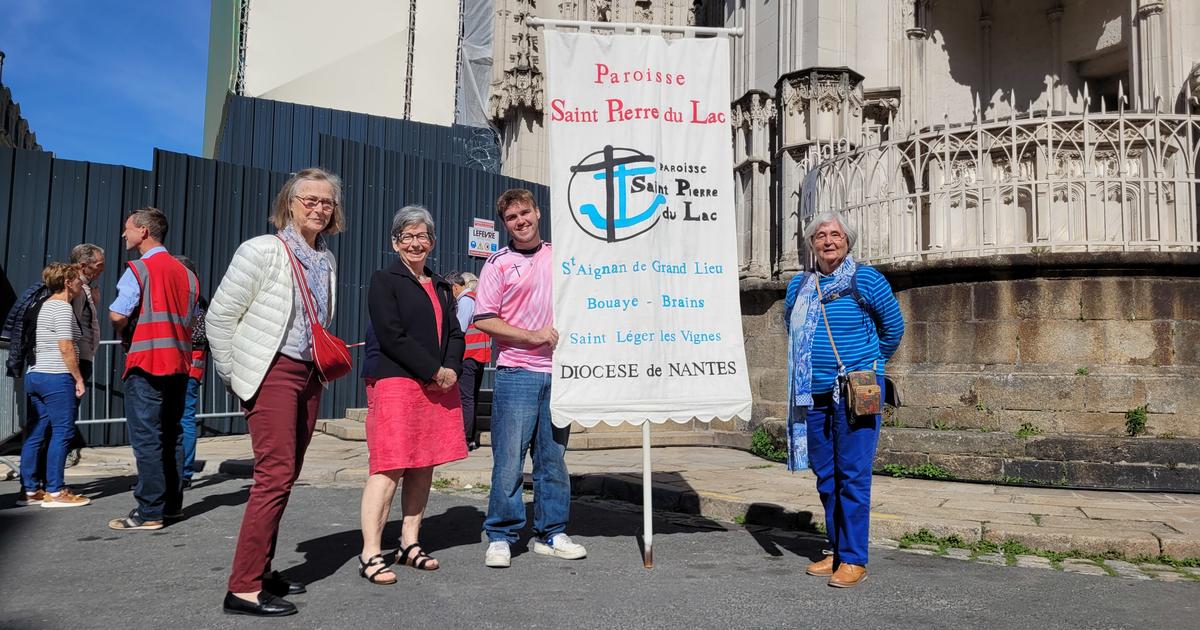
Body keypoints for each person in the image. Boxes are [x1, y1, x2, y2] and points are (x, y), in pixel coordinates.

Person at [207, 167, 345, 617]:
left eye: (327, 202)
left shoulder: (325, 258)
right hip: (273, 372)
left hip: (310, 374)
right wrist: (239, 376)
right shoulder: (262, 250)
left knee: (285, 475)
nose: (320, 209)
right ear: (290, 202)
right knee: (274, 473)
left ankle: (262, 569)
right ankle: (243, 586)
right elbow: (220, 318)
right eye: (311, 200)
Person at [783, 210, 904, 588]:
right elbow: (792, 327)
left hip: (857, 391)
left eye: (836, 234)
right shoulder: (798, 287)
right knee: (826, 476)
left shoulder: (867, 280)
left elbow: (893, 329)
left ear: (847, 241)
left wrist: (870, 365)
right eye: (821, 235)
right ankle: (836, 549)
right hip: (813, 393)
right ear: (811, 244)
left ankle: (854, 558)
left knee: (852, 475)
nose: (828, 241)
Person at [475, 188, 586, 568]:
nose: (520, 221)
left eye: (525, 213)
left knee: (553, 460)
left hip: (560, 374)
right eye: (511, 217)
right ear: (505, 224)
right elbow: (484, 319)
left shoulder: (562, 256)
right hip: (517, 371)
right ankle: (501, 535)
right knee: (508, 460)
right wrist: (533, 336)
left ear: (538, 213)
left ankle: (551, 532)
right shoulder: (497, 263)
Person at [357, 205, 467, 585]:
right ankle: (371, 552)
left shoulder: (439, 285)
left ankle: (409, 543)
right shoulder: (383, 280)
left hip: (437, 384)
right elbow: (391, 334)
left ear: (432, 242)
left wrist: (450, 368)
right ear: (395, 242)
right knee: (389, 466)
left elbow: (455, 332)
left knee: (423, 464)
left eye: (422, 236)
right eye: (408, 236)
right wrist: (433, 370)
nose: (416, 242)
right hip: (396, 382)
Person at [107, 207, 199, 532]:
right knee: (173, 434)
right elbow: (188, 319)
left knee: (147, 438)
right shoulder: (187, 274)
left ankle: (149, 511)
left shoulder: (138, 270)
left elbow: (118, 314)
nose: (124, 235)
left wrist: (123, 331)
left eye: (128, 228)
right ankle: (172, 506)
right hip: (179, 363)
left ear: (144, 232)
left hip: (146, 362)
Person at [18, 262, 90, 507]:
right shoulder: (61, 308)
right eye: (78, 279)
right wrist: (78, 378)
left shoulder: (43, 306)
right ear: (68, 282)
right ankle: (56, 491)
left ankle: (30, 490)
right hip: (56, 376)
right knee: (63, 432)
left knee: (37, 432)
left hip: (35, 374)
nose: (82, 282)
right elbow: (65, 346)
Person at [66, 243, 106, 465]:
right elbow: (72, 323)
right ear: (83, 265)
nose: (101, 270)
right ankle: (64, 451)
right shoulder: (74, 287)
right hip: (77, 355)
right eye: (98, 265)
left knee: (72, 405)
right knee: (68, 406)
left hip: (84, 354)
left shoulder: (87, 287)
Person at [174, 255, 209, 488]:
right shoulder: (200, 299)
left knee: (183, 418)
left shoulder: (187, 300)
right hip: (192, 363)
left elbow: (196, 335)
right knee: (185, 417)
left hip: (184, 362)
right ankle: (182, 472)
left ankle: (183, 473)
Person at [445, 270, 489, 450]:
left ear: (456, 287)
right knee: (472, 398)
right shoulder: (476, 299)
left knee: (466, 398)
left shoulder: (465, 301)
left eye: (450, 291)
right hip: (479, 354)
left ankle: (464, 439)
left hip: (468, 356)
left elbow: (460, 329)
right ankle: (470, 438)